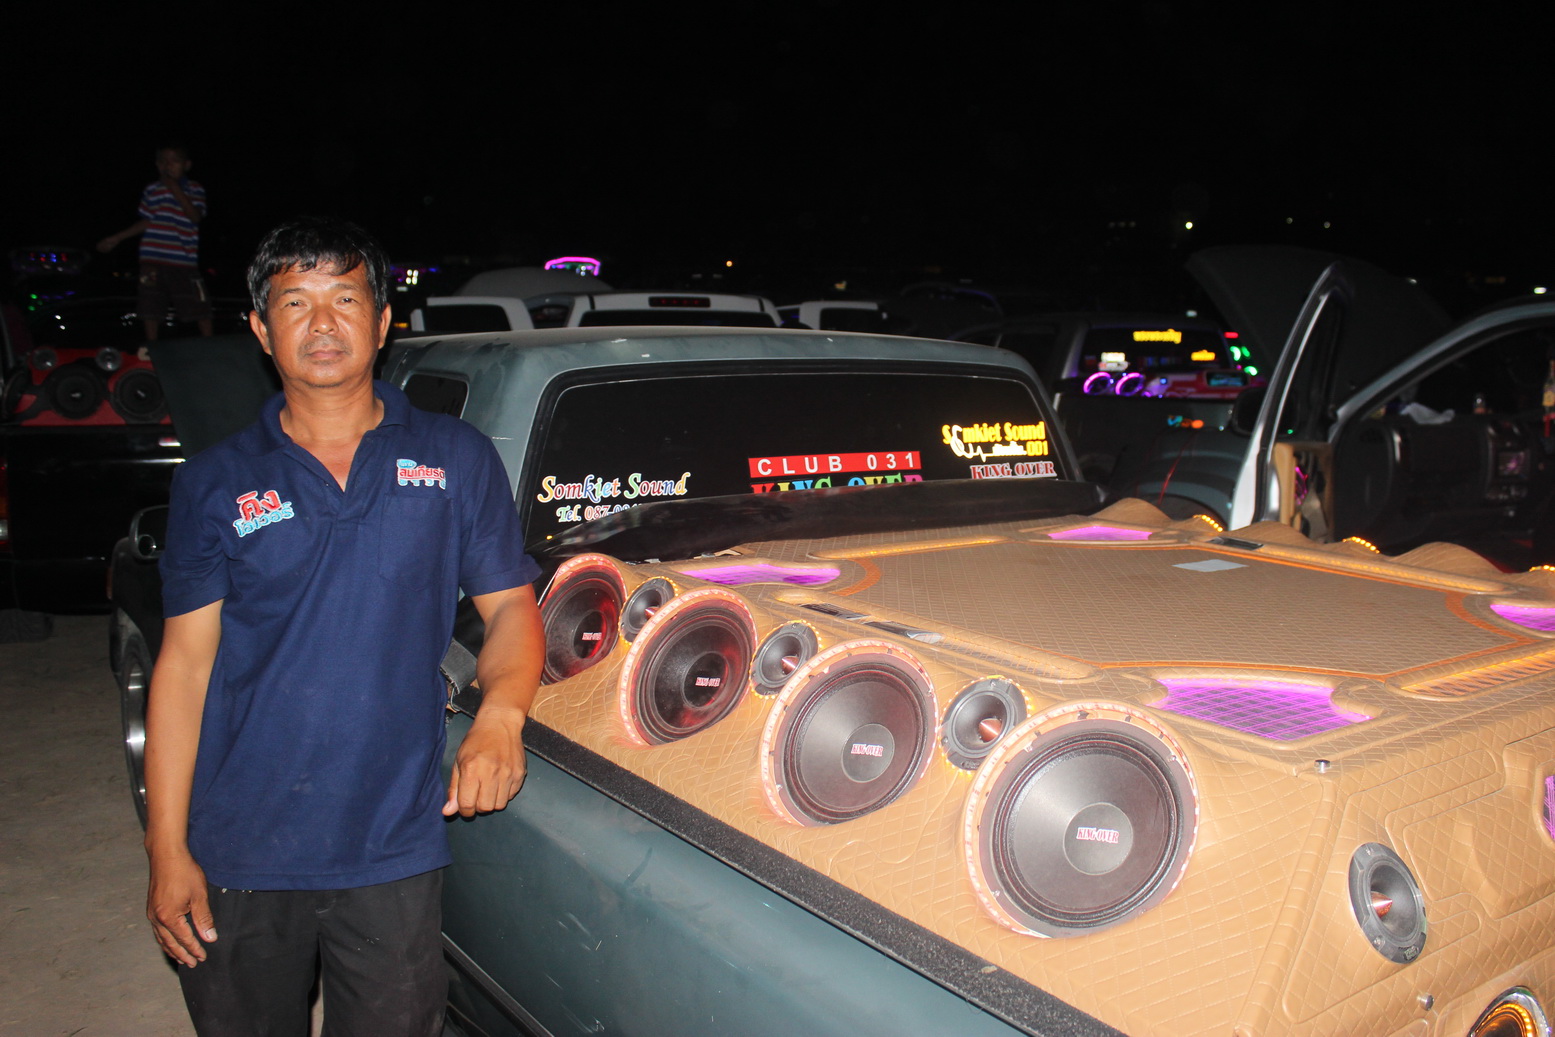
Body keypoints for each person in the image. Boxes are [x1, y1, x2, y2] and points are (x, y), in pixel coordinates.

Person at [142, 216, 545, 1036]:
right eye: (295, 302)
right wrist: (166, 847)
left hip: (392, 843)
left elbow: (511, 606)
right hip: (238, 844)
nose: (322, 323)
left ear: (383, 320)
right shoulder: (215, 481)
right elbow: (183, 668)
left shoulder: (456, 456)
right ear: (261, 330)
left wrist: (501, 715)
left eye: (345, 299)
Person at [97, 144, 215, 341]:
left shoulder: (194, 189)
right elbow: (146, 221)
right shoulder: (152, 190)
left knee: (198, 303)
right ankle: (152, 346)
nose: (168, 165)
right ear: (158, 165)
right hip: (152, 258)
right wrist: (116, 238)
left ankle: (210, 344)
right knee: (150, 303)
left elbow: (195, 216)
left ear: (186, 165)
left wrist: (175, 188)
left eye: (174, 161)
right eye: (163, 161)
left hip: (182, 260)